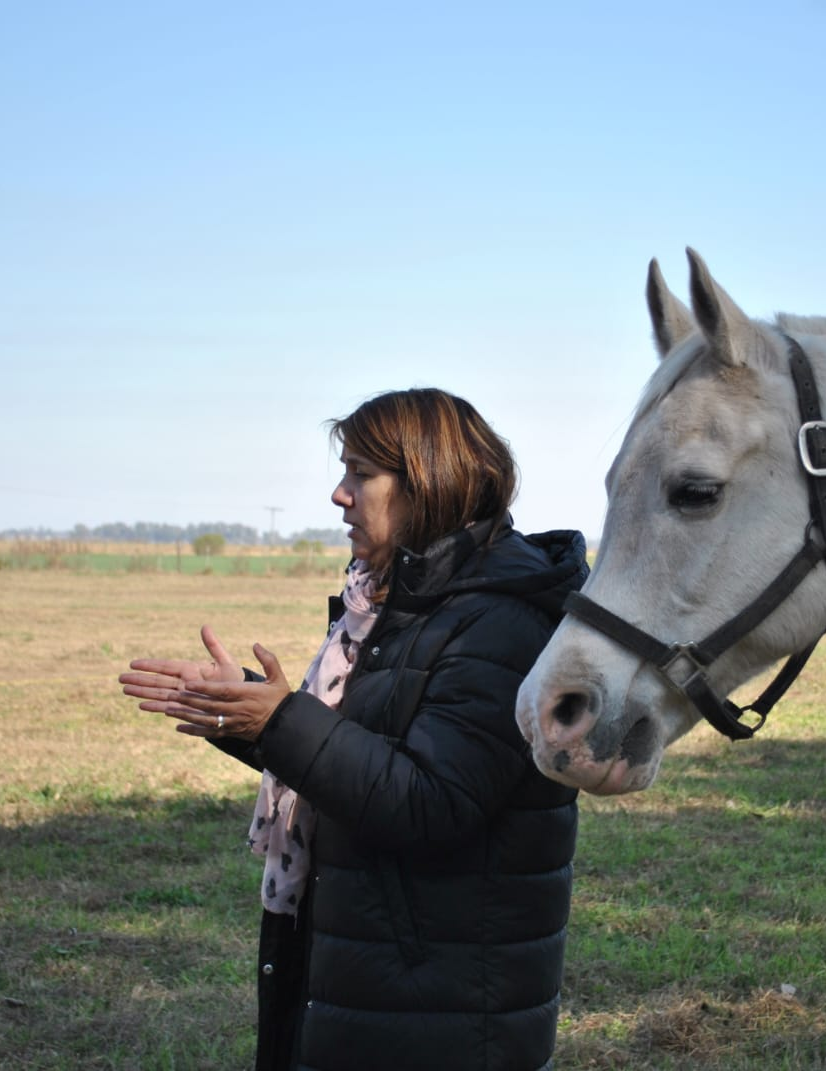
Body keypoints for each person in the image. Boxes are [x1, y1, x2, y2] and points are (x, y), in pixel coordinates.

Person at [119, 388, 588, 1071]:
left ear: (430, 482)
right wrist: (246, 711)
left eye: (361, 473)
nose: (340, 495)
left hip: (444, 1012)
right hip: (384, 986)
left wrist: (281, 721)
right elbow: (364, 748)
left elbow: (431, 800)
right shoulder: (395, 604)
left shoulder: (502, 623)